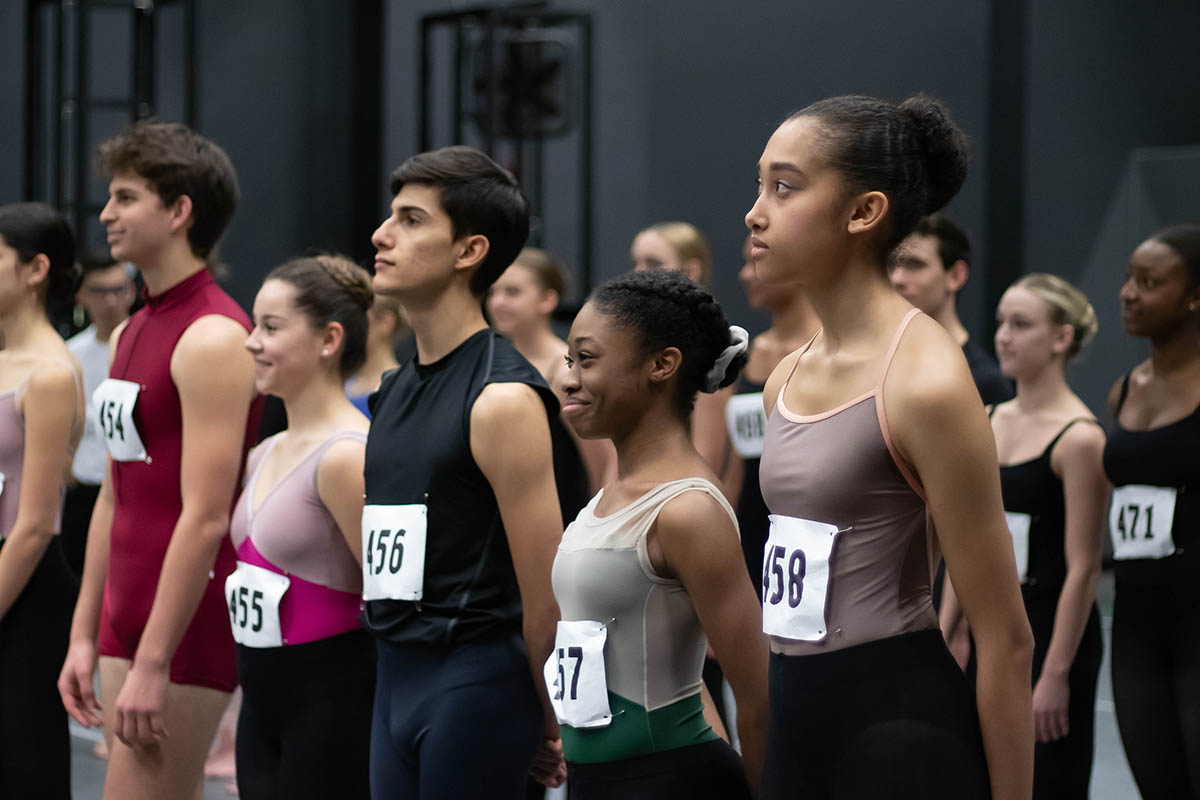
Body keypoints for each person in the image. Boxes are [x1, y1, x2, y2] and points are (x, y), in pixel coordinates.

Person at [747, 94, 1034, 799]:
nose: (756, 211)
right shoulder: (783, 373)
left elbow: (1005, 636)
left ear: (863, 212)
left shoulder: (927, 382)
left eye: (783, 188)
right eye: (759, 186)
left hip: (895, 726)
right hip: (794, 709)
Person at [57, 121, 263, 800]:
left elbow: (206, 515)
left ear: (179, 212)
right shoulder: (133, 330)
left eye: (125, 197)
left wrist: (153, 659)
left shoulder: (212, 336)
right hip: (129, 608)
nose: (107, 214)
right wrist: (86, 630)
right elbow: (114, 494)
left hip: (182, 624)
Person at [364, 145, 565, 798]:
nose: (382, 234)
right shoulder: (393, 390)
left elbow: (545, 591)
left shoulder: (503, 399)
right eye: (391, 216)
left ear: (469, 251)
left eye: (411, 220)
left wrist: (553, 716)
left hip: (475, 681)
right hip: (393, 674)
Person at [551, 268, 768, 798]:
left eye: (588, 359)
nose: (569, 378)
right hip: (598, 780)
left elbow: (761, 698)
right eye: (569, 361)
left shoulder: (687, 509)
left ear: (662, 365)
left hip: (669, 782)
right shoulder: (609, 496)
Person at [943, 274, 1106, 798]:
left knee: (1048, 778)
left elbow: (1083, 567)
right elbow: (963, 541)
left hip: (1047, 626)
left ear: (1061, 338)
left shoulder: (1080, 438)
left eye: (1021, 324)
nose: (1004, 337)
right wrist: (950, 627)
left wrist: (1056, 672)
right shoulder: (987, 419)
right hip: (987, 625)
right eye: (1001, 323)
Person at [233, 254, 374, 799]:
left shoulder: (347, 455)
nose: (251, 342)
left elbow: (393, 600)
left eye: (270, 327)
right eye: (253, 325)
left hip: (331, 700)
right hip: (261, 698)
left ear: (328, 339)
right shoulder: (264, 451)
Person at [1104, 223, 1200, 800]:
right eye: (1127, 279)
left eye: (1149, 282)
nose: (1128, 293)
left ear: (1194, 297)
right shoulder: (1123, 391)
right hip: (1137, 624)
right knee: (1155, 783)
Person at [0, 202, 85, 799]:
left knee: (23, 762)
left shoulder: (52, 374)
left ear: (35, 270)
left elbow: (34, 523)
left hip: (24, 584)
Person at [723, 235, 819, 598]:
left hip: (804, 544)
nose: (746, 275)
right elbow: (735, 471)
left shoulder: (825, 351)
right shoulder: (752, 352)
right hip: (751, 537)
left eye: (756, 262)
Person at [487, 248, 615, 507]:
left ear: (547, 300)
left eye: (512, 292)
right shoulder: (494, 364)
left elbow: (603, 464)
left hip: (559, 519)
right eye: (493, 292)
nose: (497, 302)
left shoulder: (565, 373)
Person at [630, 223, 729, 484]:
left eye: (653, 263)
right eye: (636, 262)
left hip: (674, 502)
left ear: (691, 271)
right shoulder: (638, 343)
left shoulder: (710, 350)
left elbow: (706, 461)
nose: (639, 273)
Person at [62, 255, 136, 579]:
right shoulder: (70, 354)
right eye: (100, 291)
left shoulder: (142, 346)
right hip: (81, 491)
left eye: (119, 289)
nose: (110, 300)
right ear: (81, 295)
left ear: (132, 291)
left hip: (129, 492)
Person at [889, 215, 1013, 405]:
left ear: (956, 276)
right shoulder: (878, 361)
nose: (897, 278)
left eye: (915, 265)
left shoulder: (984, 381)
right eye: (892, 265)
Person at [345, 293, 406, 418]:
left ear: (386, 323)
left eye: (359, 317)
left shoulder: (401, 387)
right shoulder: (344, 385)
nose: (349, 326)